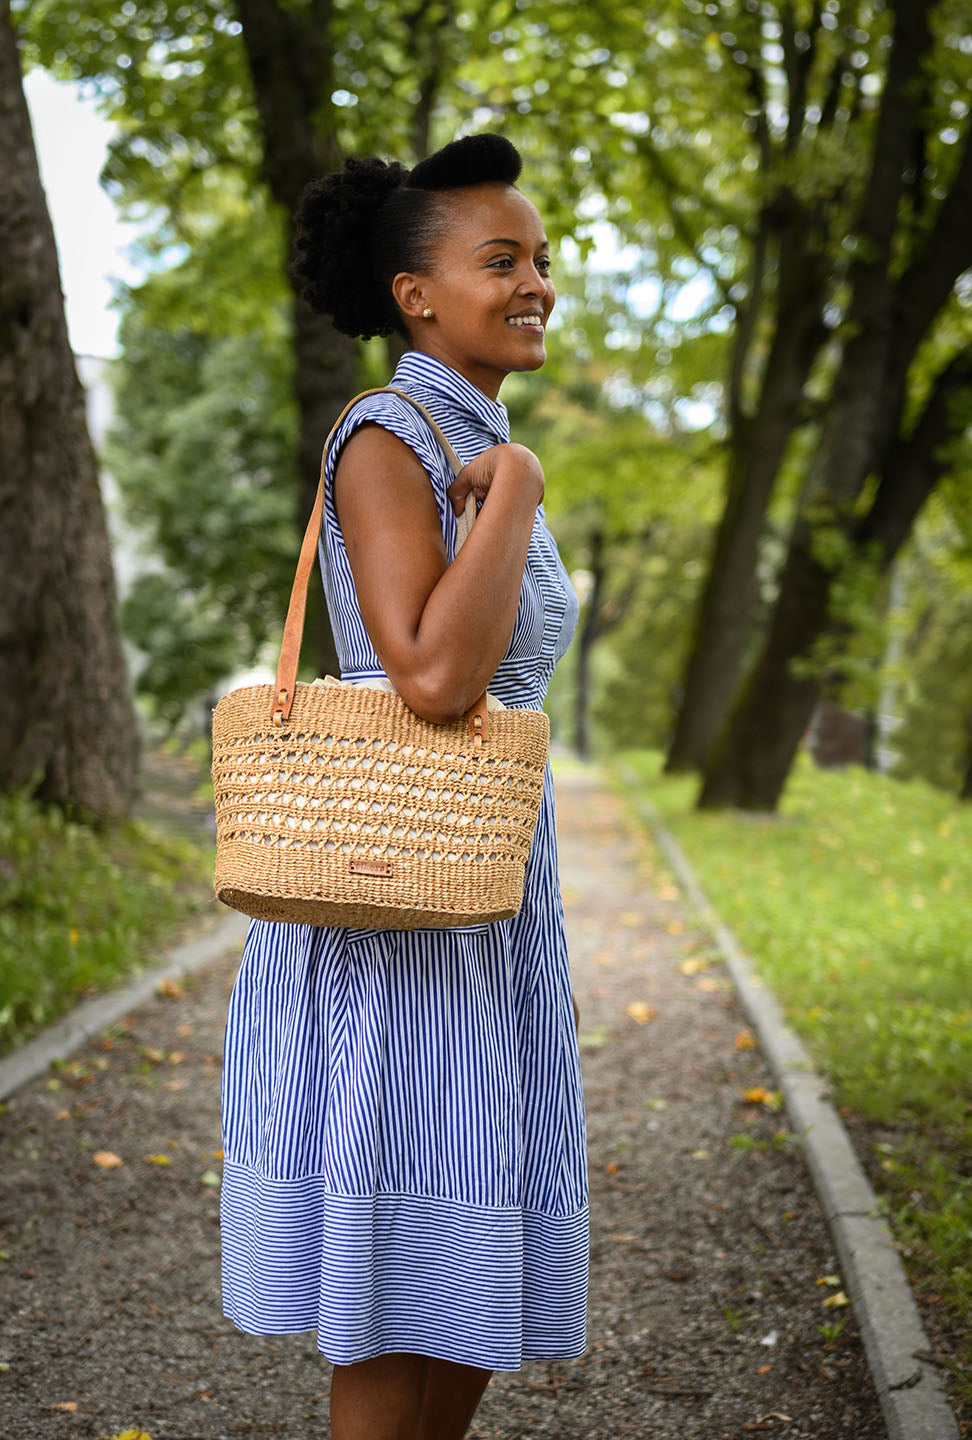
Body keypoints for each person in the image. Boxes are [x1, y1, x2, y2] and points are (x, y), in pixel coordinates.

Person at [219, 133, 588, 1440]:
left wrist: (512, 486)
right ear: (416, 296)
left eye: (542, 258)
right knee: (396, 1282)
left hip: (491, 901)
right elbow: (432, 676)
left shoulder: (478, 436)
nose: (536, 279)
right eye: (503, 260)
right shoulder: (391, 435)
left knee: (474, 1273)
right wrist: (524, 495)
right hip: (398, 903)